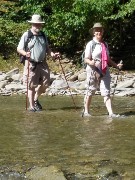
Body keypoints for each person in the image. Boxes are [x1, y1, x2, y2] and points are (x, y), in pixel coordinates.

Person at [17, 14, 59, 112]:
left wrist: (52, 54)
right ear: (32, 24)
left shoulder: (43, 35)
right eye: (36, 24)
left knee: (46, 84)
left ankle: (35, 99)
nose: (37, 26)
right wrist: (25, 53)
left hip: (43, 63)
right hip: (31, 64)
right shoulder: (26, 35)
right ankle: (31, 106)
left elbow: (47, 49)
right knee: (31, 86)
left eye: (39, 24)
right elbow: (19, 48)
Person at [82, 22, 123, 118]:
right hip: (93, 70)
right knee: (90, 90)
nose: (98, 32)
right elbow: (86, 59)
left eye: (100, 30)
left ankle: (111, 113)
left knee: (106, 91)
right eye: (96, 30)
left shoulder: (105, 44)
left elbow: (107, 59)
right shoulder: (90, 44)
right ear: (93, 32)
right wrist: (91, 62)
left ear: (103, 32)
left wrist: (116, 65)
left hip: (104, 69)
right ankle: (86, 112)